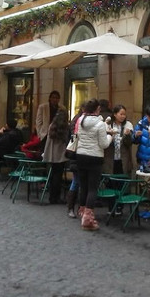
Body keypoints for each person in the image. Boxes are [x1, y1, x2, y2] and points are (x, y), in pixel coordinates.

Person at [73, 99, 112, 231]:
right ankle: (88, 219)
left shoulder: (80, 120)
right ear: (97, 109)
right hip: (95, 158)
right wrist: (110, 136)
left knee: (83, 186)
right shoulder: (100, 124)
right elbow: (104, 144)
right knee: (92, 188)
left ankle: (82, 211)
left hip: (80, 156)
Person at [42, 107, 71, 205]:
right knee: (58, 176)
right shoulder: (65, 127)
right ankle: (56, 197)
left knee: (53, 175)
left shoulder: (52, 125)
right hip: (60, 154)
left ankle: (52, 197)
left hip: (52, 153)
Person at [103, 104, 135, 176]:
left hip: (123, 159)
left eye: (124, 114)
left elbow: (129, 143)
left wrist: (127, 135)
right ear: (115, 114)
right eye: (121, 114)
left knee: (122, 179)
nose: (123, 116)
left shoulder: (128, 125)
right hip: (110, 158)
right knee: (110, 179)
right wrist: (109, 134)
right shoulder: (108, 125)